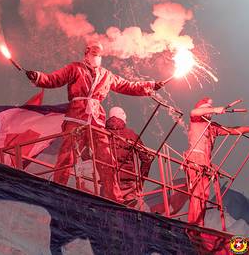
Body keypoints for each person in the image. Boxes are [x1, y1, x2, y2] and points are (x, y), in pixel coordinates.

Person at [25, 40, 164, 202]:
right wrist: (38, 77)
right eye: (94, 52)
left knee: (106, 158)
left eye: (99, 53)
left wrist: (151, 85)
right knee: (67, 155)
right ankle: (59, 188)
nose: (97, 56)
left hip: (96, 121)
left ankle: (114, 197)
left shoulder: (106, 75)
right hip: (76, 117)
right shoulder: (74, 68)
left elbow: (127, 86)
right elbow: (54, 79)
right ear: (87, 52)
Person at [185, 97, 249, 227]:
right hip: (194, 159)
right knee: (197, 193)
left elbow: (232, 130)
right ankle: (194, 223)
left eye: (210, 109)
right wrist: (215, 109)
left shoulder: (212, 127)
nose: (209, 112)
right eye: (206, 109)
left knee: (203, 195)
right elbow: (193, 112)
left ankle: (198, 223)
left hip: (205, 163)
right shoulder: (196, 121)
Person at [105, 107, 153, 209]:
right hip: (128, 183)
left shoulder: (100, 133)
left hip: (107, 181)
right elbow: (147, 159)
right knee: (131, 214)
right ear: (123, 116)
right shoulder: (131, 135)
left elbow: (86, 155)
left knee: (107, 211)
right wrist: (140, 182)